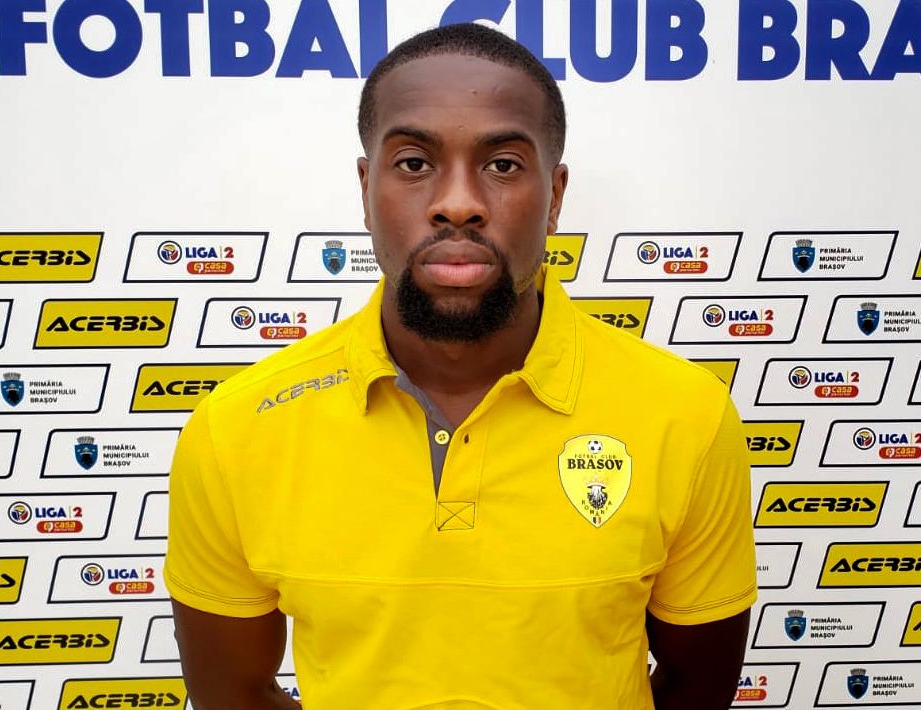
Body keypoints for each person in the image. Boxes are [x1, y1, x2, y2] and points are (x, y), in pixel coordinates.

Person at [165, 22, 756, 710]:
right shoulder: (237, 429)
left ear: (555, 196)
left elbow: (695, 686)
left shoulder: (684, 415)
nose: (458, 203)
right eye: (414, 162)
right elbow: (233, 693)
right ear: (366, 188)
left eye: (501, 165)